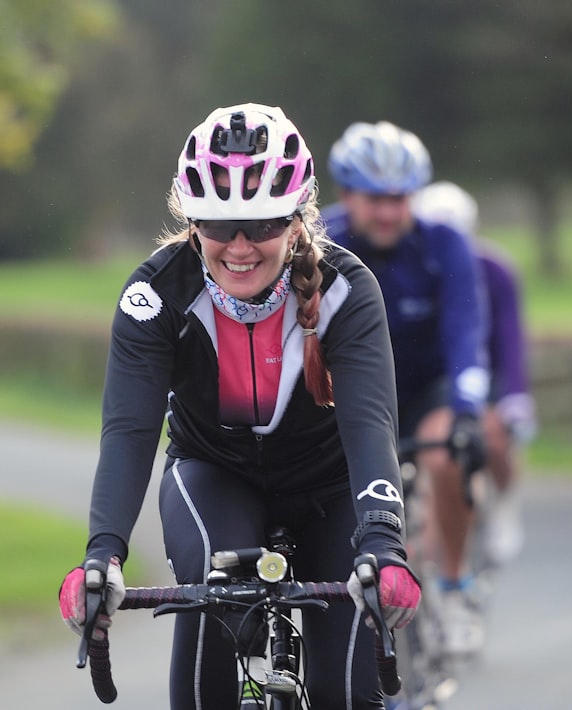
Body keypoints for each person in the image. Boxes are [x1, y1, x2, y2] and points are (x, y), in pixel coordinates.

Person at [57, 103, 420, 710]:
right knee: (217, 597)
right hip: (213, 474)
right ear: (193, 221)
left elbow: (370, 424)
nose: (241, 246)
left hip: (331, 488)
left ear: (298, 218)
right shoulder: (156, 294)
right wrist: (102, 554)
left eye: (263, 223)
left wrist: (384, 546)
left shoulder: (346, 291)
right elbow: (128, 429)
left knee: (347, 692)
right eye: (220, 226)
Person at [322, 123, 490, 656]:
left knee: (447, 457)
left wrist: (467, 412)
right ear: (347, 195)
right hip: (349, 394)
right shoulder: (320, 244)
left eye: (399, 198)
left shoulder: (445, 244)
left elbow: (467, 334)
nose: (390, 213)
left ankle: (457, 585)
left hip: (426, 390)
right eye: (375, 199)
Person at [410, 180, 537, 569]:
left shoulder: (496, 270)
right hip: (437, 378)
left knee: (495, 436)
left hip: (484, 372)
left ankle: (505, 502)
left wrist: (515, 395)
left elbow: (510, 337)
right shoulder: (413, 267)